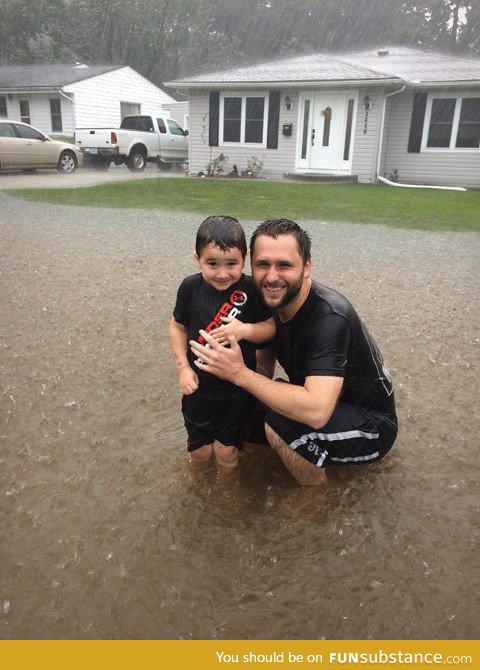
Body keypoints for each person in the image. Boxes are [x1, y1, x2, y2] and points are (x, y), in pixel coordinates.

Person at [190, 219, 398, 486]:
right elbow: (263, 368)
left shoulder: (330, 318)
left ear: (307, 266)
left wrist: (237, 373)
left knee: (279, 423)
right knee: (229, 407)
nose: (272, 277)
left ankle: (314, 500)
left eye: (285, 265)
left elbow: (316, 411)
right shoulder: (265, 301)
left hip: (371, 427)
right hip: (320, 402)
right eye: (263, 265)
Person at [169, 215, 275, 470]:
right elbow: (176, 326)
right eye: (212, 264)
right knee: (200, 451)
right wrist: (183, 367)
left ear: (244, 259)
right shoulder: (190, 288)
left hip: (237, 393)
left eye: (231, 263)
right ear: (197, 259)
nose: (222, 273)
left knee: (226, 453)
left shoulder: (251, 290)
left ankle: (227, 498)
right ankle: (197, 493)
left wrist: (245, 330)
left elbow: (270, 329)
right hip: (199, 389)